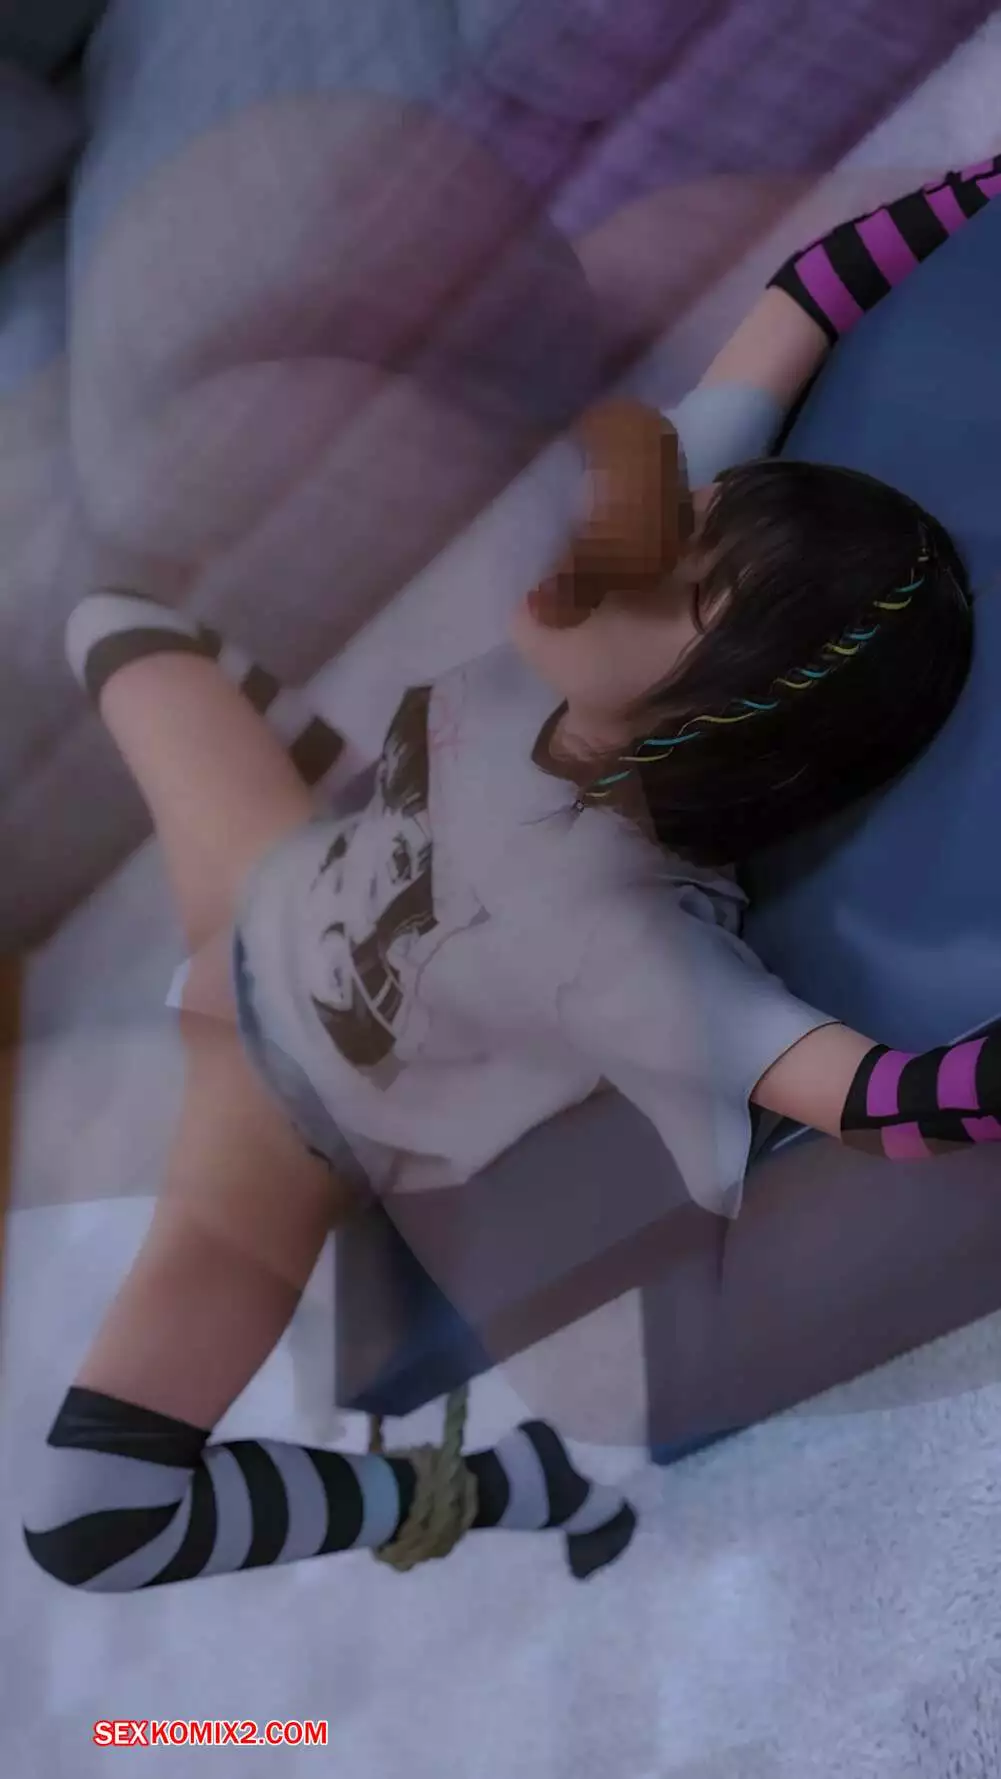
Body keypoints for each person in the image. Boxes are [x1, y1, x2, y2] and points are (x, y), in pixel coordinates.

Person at [23, 156, 1001, 1594]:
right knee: (108, 618)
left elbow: (868, 1095)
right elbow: (801, 301)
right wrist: (977, 184)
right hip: (270, 883)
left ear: (714, 719)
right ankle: (330, 780)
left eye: (672, 582)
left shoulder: (614, 930)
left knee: (90, 1521)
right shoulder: (608, 614)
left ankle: (493, 1487)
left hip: (296, 1117)